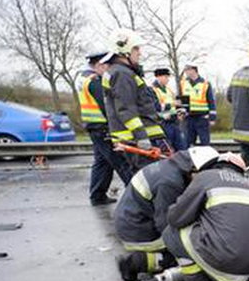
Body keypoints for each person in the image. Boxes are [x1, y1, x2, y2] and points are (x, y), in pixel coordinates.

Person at [163, 152, 249, 281]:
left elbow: (176, 218)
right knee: (238, 237)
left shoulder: (207, 177)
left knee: (172, 234)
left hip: (226, 257)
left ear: (215, 166)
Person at [114, 146, 219, 281]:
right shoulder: (170, 183)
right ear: (194, 169)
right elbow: (166, 223)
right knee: (190, 259)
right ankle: (135, 263)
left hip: (133, 220)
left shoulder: (171, 166)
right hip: (138, 231)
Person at [102, 28, 168, 171]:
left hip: (138, 138)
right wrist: (141, 137)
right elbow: (126, 109)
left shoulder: (121, 72)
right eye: (136, 48)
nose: (139, 52)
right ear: (124, 50)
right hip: (138, 139)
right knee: (152, 182)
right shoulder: (122, 74)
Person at [78, 48, 133, 205]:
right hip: (103, 128)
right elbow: (108, 107)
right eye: (106, 65)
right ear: (99, 65)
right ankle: (137, 197)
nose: (109, 69)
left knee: (102, 163)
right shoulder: (95, 81)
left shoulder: (85, 79)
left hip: (95, 127)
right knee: (121, 162)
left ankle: (97, 195)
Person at [180, 64, 217, 146]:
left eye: (187, 70)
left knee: (205, 142)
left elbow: (211, 101)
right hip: (188, 117)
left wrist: (212, 118)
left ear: (194, 70)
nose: (186, 72)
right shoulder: (183, 83)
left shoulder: (205, 84)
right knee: (187, 142)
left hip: (202, 117)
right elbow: (181, 101)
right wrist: (180, 115)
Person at [152, 67, 186, 150]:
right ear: (158, 77)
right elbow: (156, 107)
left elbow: (176, 104)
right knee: (166, 149)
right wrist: (171, 104)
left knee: (181, 147)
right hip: (163, 123)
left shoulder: (169, 90)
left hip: (174, 122)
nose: (168, 79)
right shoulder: (153, 90)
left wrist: (180, 112)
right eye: (166, 77)